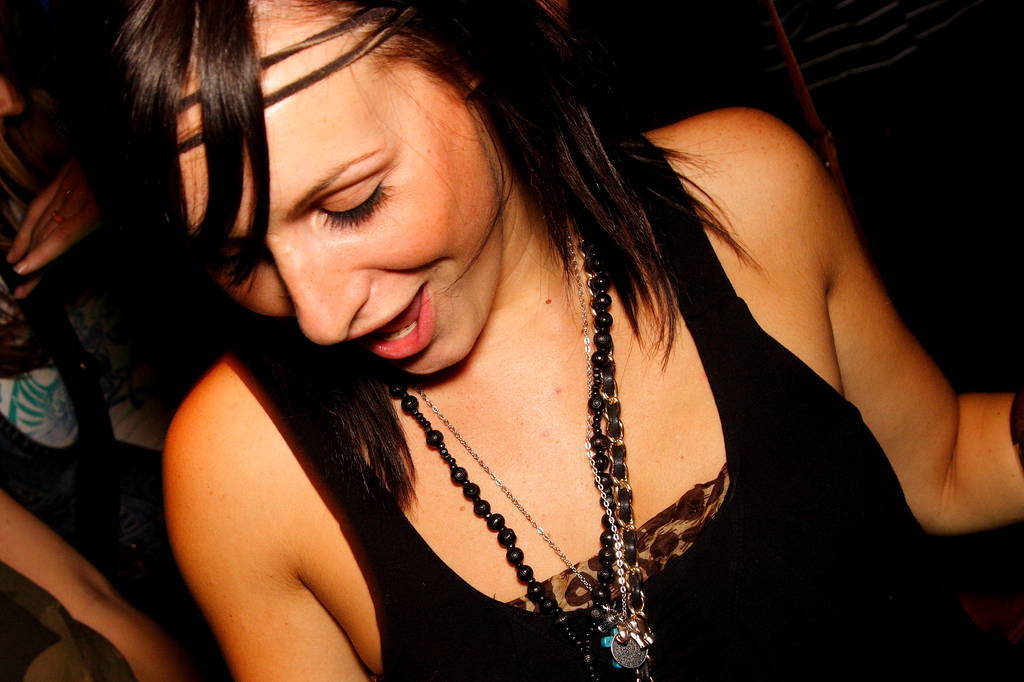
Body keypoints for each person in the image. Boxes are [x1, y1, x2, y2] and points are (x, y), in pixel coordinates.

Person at [68, 1, 1023, 680]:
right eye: (238, 258)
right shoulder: (240, 475)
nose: (320, 317)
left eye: (352, 204)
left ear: (464, 46)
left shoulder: (744, 199)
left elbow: (941, 466)